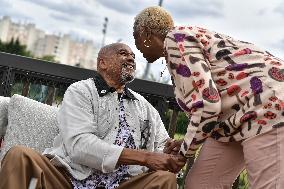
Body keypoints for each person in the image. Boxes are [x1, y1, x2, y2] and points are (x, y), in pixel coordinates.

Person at [133, 6, 284, 189]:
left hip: (268, 106)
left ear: (146, 34)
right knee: (201, 184)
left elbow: (207, 105)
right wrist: (187, 141)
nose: (136, 48)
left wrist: (183, 153)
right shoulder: (186, 39)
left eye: (136, 38)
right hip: (234, 121)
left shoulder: (175, 39)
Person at [0, 43, 186, 189]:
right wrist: (144, 157)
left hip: (123, 184)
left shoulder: (144, 106)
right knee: (20, 155)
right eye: (123, 53)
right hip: (68, 178)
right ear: (102, 63)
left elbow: (160, 146)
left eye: (133, 56)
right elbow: (79, 145)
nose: (130, 58)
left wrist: (169, 153)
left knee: (165, 179)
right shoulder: (81, 91)